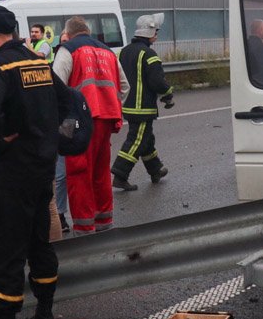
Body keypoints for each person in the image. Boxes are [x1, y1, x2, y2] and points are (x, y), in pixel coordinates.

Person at [0, 3, 74, 319]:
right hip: (41, 170)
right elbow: (66, 100)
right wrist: (45, 136)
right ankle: (44, 317)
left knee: (5, 251)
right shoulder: (36, 61)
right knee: (39, 244)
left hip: (11, 174)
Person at [52, 16, 129, 235]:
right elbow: (125, 86)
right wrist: (112, 105)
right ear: (87, 31)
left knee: (78, 174)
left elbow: (55, 85)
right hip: (105, 118)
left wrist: (58, 119)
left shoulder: (68, 50)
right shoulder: (107, 51)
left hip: (77, 123)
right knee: (101, 172)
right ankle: (104, 224)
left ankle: (84, 229)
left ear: (68, 33)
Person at [112, 13, 174, 191]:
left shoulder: (125, 51)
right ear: (149, 32)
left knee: (146, 139)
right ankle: (120, 174)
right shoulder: (148, 53)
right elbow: (157, 81)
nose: (157, 34)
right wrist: (168, 93)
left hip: (127, 104)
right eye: (156, 31)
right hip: (142, 107)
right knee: (137, 140)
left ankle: (155, 169)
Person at [52, 29, 71, 233]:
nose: (65, 44)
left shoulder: (76, 58)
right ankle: (60, 214)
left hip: (75, 120)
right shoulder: (56, 63)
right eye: (62, 41)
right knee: (61, 173)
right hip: (60, 123)